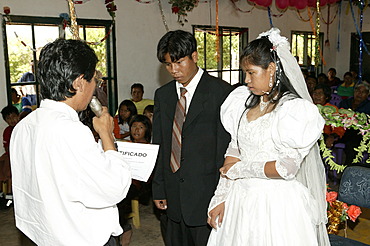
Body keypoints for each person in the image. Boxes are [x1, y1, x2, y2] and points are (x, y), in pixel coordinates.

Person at [207, 28, 329, 246]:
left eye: (251, 73)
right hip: (240, 199)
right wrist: (221, 197)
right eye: (245, 73)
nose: (246, 80)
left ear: (271, 69)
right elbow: (234, 151)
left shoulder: (294, 111)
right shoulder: (243, 103)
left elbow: (286, 168)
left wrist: (241, 170)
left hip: (276, 204)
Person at [9, 39, 131, 246]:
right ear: (79, 83)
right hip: (80, 237)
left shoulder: (24, 126)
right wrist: (107, 135)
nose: (95, 87)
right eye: (94, 80)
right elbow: (115, 187)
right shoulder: (71, 131)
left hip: (42, 236)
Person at [152, 30, 233, 246]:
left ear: (194, 56)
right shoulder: (164, 95)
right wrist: (159, 187)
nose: (174, 70)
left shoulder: (221, 92)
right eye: (168, 65)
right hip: (172, 192)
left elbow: (226, 150)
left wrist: (222, 196)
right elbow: (160, 144)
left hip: (206, 193)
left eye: (179, 62)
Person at [117, 114, 152, 246]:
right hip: (124, 180)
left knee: (120, 196)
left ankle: (124, 228)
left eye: (141, 127)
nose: (136, 130)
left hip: (139, 184)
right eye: (134, 126)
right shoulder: (127, 145)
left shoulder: (149, 148)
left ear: (147, 130)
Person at [338, 82, 370, 165]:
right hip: (343, 130)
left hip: (360, 133)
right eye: (357, 90)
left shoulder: (368, 105)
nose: (359, 94)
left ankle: (349, 168)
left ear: (367, 94)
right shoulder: (345, 103)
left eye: (363, 92)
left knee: (352, 145)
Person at [312, 83, 345, 148]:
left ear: (326, 97)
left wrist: (332, 136)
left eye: (320, 94)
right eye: (315, 93)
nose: (317, 96)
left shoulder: (332, 109)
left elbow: (339, 128)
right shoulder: (310, 106)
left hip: (324, 135)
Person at [0, 105, 19, 198]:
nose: (12, 120)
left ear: (18, 116)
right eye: (8, 118)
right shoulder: (7, 131)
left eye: (14, 116)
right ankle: (7, 193)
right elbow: (7, 147)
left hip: (21, 154)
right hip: (11, 155)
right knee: (4, 167)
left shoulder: (22, 127)